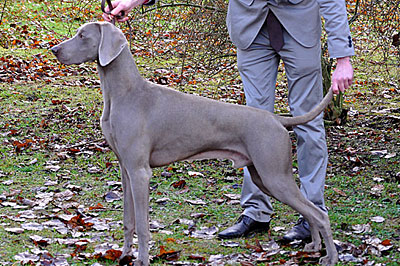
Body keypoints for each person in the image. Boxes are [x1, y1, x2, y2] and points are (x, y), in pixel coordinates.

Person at [103, 0, 354, 242]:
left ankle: (312, 216)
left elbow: (332, 1)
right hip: (250, 27)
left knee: (308, 124)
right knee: (250, 122)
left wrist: (342, 56)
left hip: (299, 25)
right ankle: (256, 212)